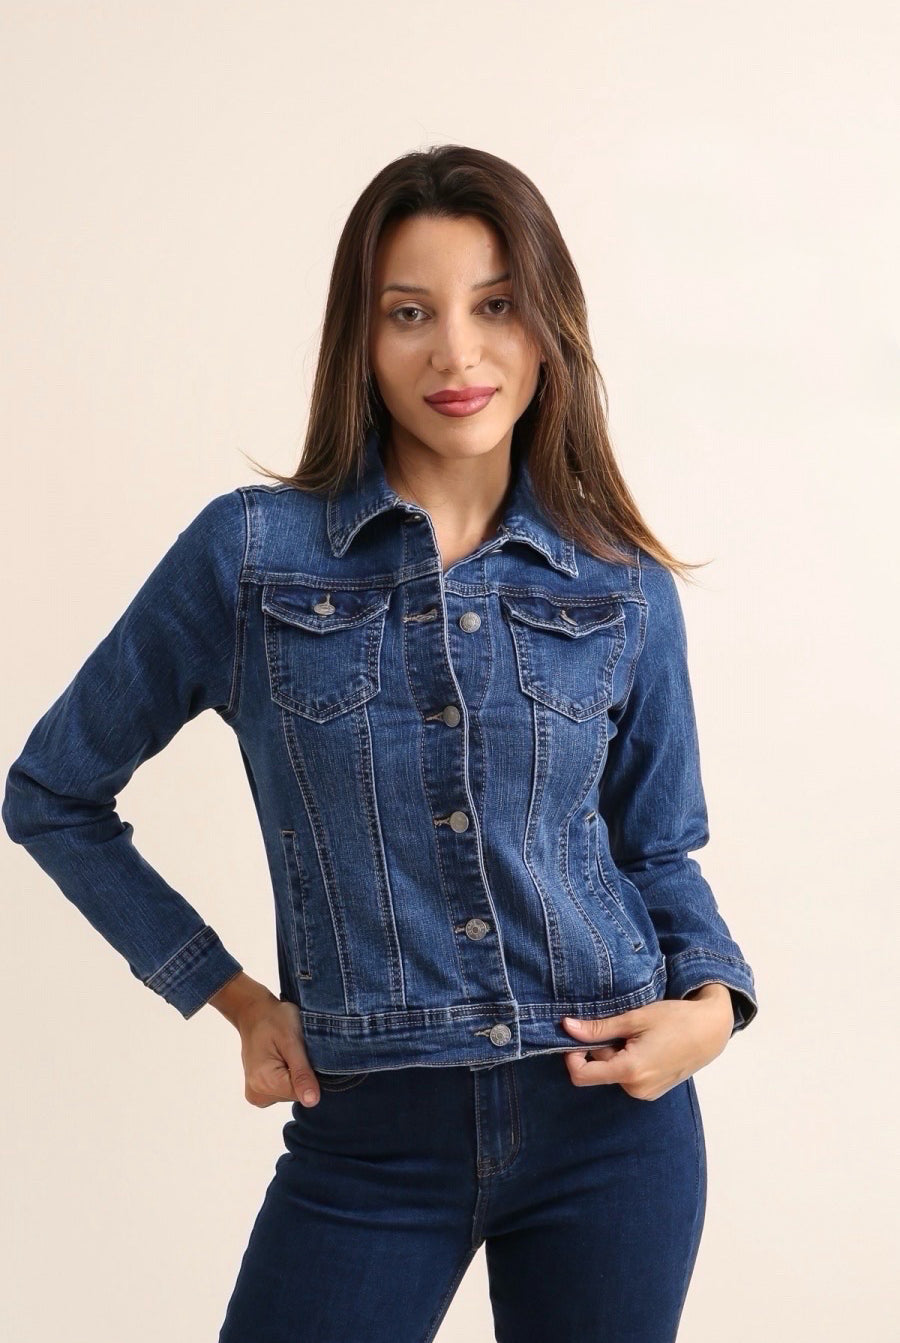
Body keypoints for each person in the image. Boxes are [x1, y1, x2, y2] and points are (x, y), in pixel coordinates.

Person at [3, 144, 758, 1342]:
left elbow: (658, 848)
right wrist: (231, 996)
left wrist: (714, 1000)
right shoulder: (252, 557)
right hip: (368, 1141)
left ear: (549, 329)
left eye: (495, 305)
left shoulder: (620, 586)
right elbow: (52, 791)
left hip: (613, 1121)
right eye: (410, 313)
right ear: (359, 338)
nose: (456, 352)